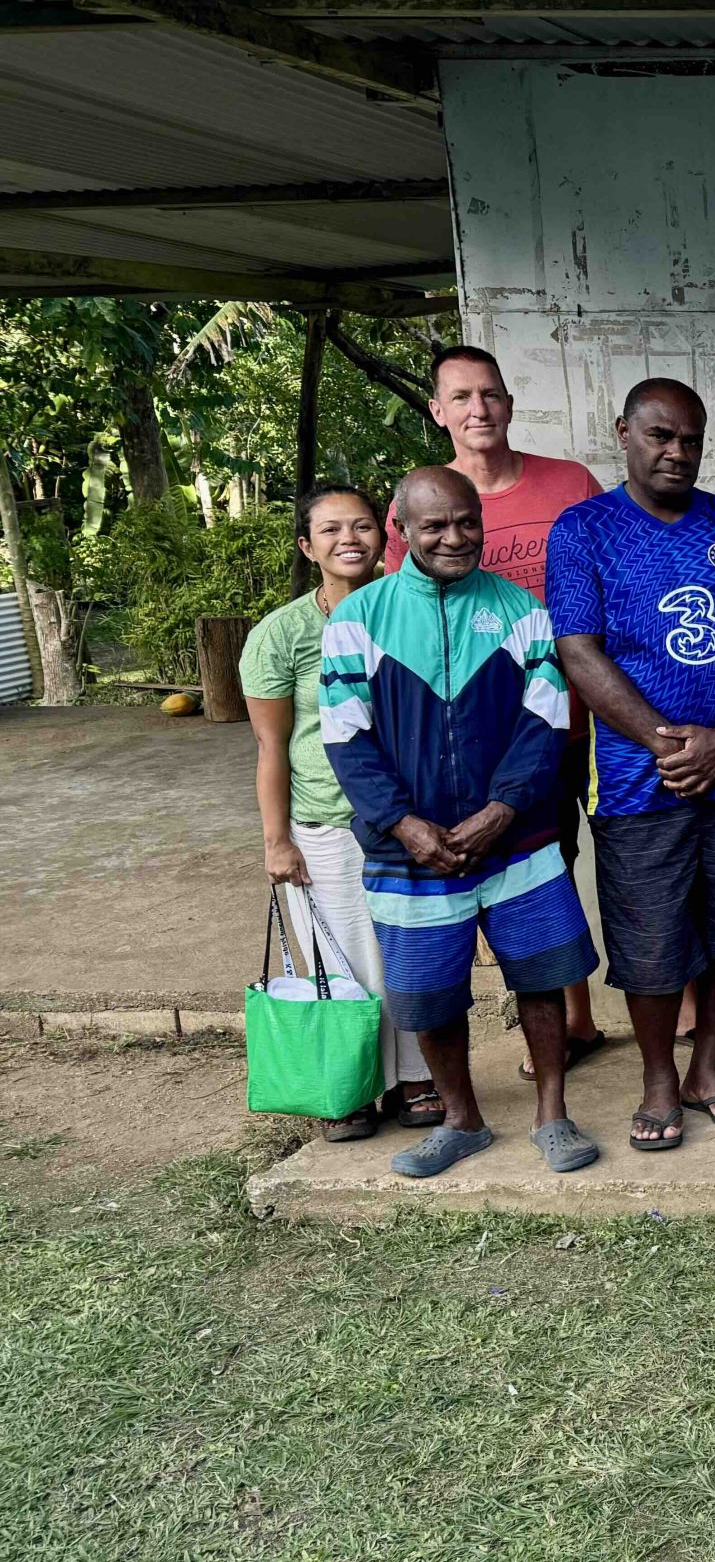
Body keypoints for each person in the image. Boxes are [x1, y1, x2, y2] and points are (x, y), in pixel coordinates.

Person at [319, 467, 601, 1177]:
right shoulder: (358, 620)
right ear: (402, 530)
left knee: (542, 977)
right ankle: (461, 1120)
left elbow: (545, 722)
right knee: (429, 994)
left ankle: (552, 1115)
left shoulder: (521, 611)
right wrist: (403, 823)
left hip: (519, 840)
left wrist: (502, 810)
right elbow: (345, 736)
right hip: (409, 851)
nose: (454, 537)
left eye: (466, 521)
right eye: (435, 525)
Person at [547, 379, 715, 1155]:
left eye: (691, 439)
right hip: (634, 782)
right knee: (649, 942)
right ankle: (659, 1079)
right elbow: (577, 650)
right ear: (624, 432)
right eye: (661, 435)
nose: (677, 452)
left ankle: (707, 1067)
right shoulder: (583, 529)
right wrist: (667, 743)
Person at [388, 345, 617, 1069]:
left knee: (633, 853)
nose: (478, 409)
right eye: (460, 397)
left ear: (510, 403)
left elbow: (618, 577)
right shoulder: (426, 502)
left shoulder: (570, 482)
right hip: (496, 737)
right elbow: (408, 618)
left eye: (489, 393)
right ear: (438, 411)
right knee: (544, 867)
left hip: (594, 717)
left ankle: (678, 1001)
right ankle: (575, 1020)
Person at [241, 484, 432, 1142]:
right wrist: (276, 840)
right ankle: (349, 1087)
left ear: (385, 535)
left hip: (410, 816)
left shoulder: (412, 610)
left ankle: (416, 1078)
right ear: (307, 546)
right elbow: (271, 747)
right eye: (330, 530)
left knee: (408, 949)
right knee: (344, 957)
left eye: (361, 525)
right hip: (326, 820)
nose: (348, 539)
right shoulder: (282, 634)